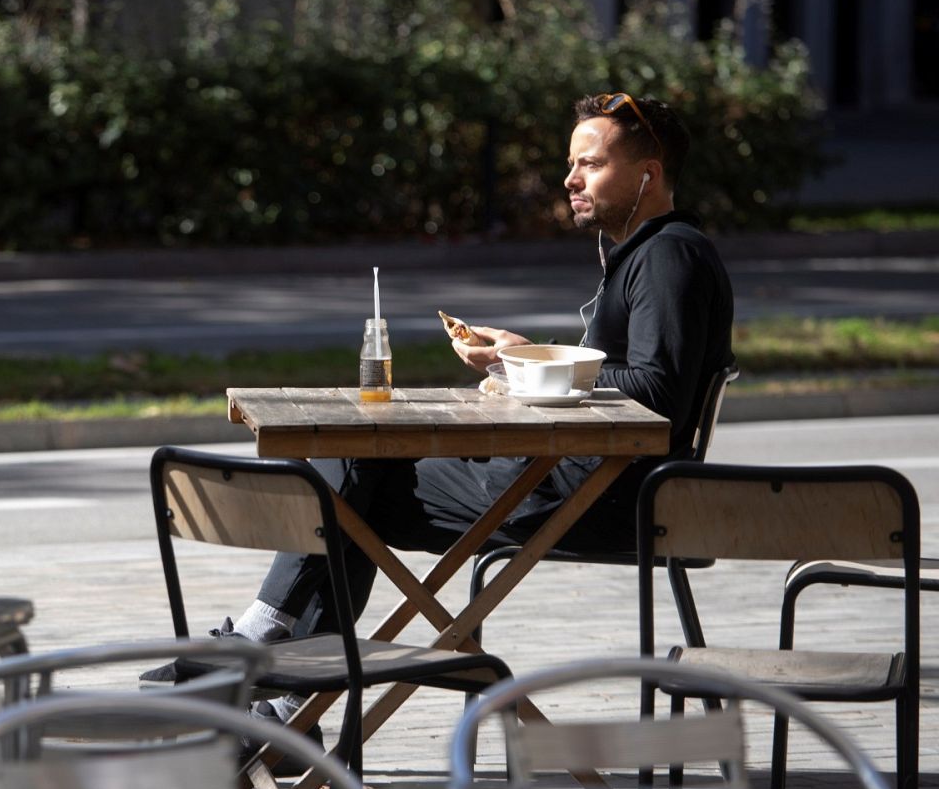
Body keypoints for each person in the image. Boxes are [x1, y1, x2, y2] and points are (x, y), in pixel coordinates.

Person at [215, 94, 735, 713]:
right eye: (571, 163)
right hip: (576, 484)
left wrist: (526, 372)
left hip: (596, 499)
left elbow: (658, 395)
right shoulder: (647, 253)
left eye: (590, 164)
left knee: (350, 472)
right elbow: (621, 376)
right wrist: (523, 356)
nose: (570, 178)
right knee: (351, 477)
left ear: (647, 173)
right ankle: (284, 699)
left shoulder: (668, 255)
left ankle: (265, 657)